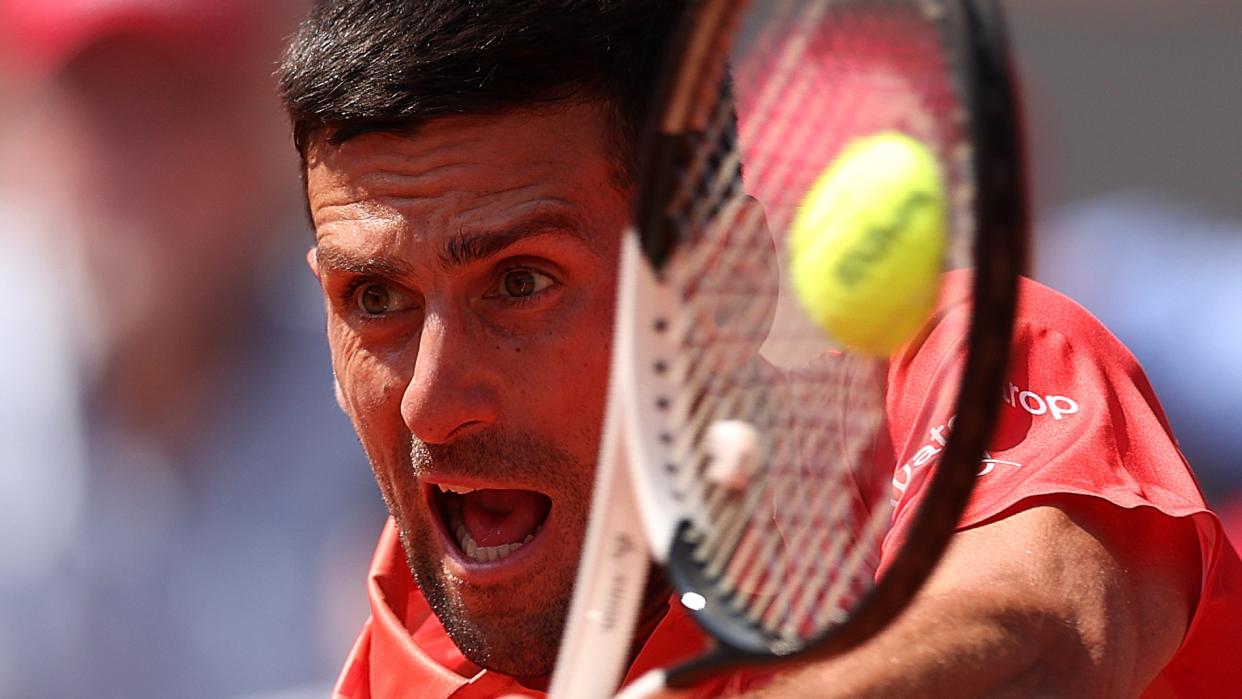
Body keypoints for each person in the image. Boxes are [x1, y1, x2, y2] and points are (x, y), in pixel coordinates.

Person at [277, 1, 1242, 697]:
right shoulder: (402, 657)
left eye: (522, 282)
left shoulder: (974, 364)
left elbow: (1031, 641)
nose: (432, 404)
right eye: (375, 297)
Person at [0, 1, 386, 696]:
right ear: (28, 137)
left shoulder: (376, 368)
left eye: (176, 106)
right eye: (99, 111)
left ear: (266, 138)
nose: (138, 164)